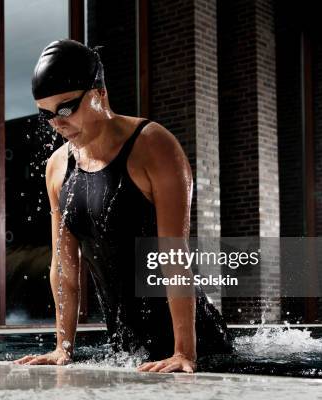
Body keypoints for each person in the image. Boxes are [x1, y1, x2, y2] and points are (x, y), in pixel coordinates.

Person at [14, 39, 232, 373]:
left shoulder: (152, 144)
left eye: (65, 109)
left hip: (201, 347)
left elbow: (174, 255)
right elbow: (64, 268)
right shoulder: (58, 167)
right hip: (128, 352)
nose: (56, 123)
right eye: (46, 114)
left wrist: (184, 352)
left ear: (99, 94)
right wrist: (63, 347)